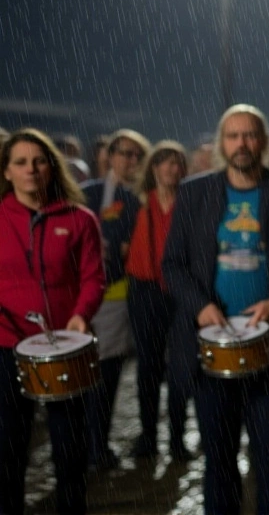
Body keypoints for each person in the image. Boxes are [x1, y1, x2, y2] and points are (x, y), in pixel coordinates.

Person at [163, 105, 269, 514]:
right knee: (218, 459)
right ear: (222, 144)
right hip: (211, 354)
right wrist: (199, 305)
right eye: (233, 136)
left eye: (250, 135)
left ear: (263, 142)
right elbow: (173, 264)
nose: (241, 143)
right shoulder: (194, 193)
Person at [0, 128, 105, 514]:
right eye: (21, 162)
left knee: (70, 449)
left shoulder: (80, 219)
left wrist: (81, 315)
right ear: (7, 171)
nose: (31, 170)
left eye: (39, 161)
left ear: (52, 167)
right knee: (8, 447)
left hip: (64, 348)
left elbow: (94, 276)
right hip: (5, 347)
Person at [81, 128, 150, 470]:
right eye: (125, 153)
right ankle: (86, 446)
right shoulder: (87, 194)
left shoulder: (138, 198)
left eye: (137, 154)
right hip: (81, 298)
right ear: (109, 155)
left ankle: (96, 446)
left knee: (106, 375)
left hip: (116, 296)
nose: (131, 160)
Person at [123, 141, 194, 461]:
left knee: (181, 367)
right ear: (153, 168)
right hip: (144, 290)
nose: (172, 169)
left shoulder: (190, 203)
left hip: (180, 290)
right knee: (148, 366)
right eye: (165, 162)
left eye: (177, 163)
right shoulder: (137, 203)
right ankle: (149, 437)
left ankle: (177, 439)